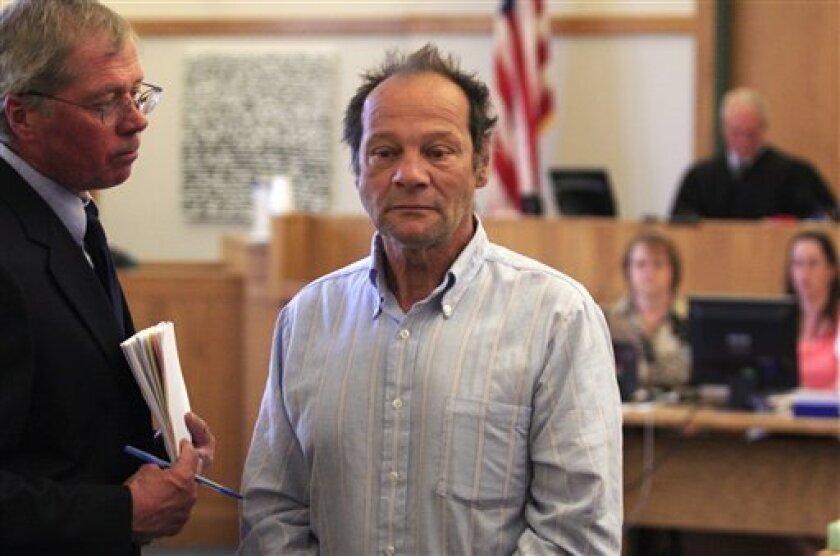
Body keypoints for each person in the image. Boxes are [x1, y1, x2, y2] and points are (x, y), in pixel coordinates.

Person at [239, 44, 623, 554]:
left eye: (438, 152)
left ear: (482, 164)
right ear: (357, 169)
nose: (410, 174)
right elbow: (272, 512)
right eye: (385, 152)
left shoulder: (557, 319)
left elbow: (577, 535)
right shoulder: (308, 319)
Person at [0, 1, 215, 553]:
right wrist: (121, 511)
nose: (137, 118)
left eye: (138, 93)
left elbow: (52, 427)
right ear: (20, 114)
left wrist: (157, 447)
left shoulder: (69, 211)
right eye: (105, 102)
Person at [670, 87, 838, 221]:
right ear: (723, 128)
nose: (743, 140)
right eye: (736, 132)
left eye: (750, 133)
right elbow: (680, 221)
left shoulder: (796, 174)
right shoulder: (699, 177)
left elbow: (825, 218)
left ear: (764, 128)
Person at [605, 232, 691, 396]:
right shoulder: (610, 319)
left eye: (658, 264)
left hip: (682, 410)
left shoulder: (689, 317)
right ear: (628, 270)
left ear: (673, 271)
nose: (649, 271)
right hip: (625, 410)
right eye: (640, 264)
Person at [785, 230, 840, 391]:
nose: (805, 273)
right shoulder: (782, 321)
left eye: (813, 263)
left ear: (831, 271)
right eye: (798, 264)